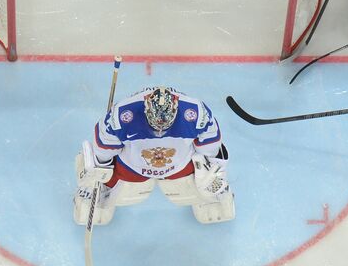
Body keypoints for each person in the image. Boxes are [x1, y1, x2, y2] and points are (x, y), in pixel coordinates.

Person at [74, 85, 234, 225]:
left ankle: (208, 196)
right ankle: (97, 190)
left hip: (180, 164)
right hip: (131, 165)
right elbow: (104, 149)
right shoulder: (123, 115)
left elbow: (210, 145)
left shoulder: (195, 112)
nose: (160, 131)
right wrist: (99, 170)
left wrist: (211, 170)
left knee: (205, 176)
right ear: (146, 109)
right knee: (102, 173)